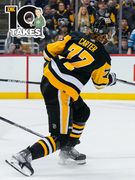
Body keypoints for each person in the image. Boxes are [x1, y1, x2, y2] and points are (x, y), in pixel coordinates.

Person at [5, 18, 117, 177]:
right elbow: (99, 83)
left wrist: (53, 71)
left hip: (50, 81)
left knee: (83, 111)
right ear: (105, 34)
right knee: (60, 137)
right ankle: (25, 155)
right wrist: (111, 79)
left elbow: (48, 51)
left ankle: (67, 149)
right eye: (110, 32)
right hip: (61, 91)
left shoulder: (75, 38)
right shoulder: (103, 58)